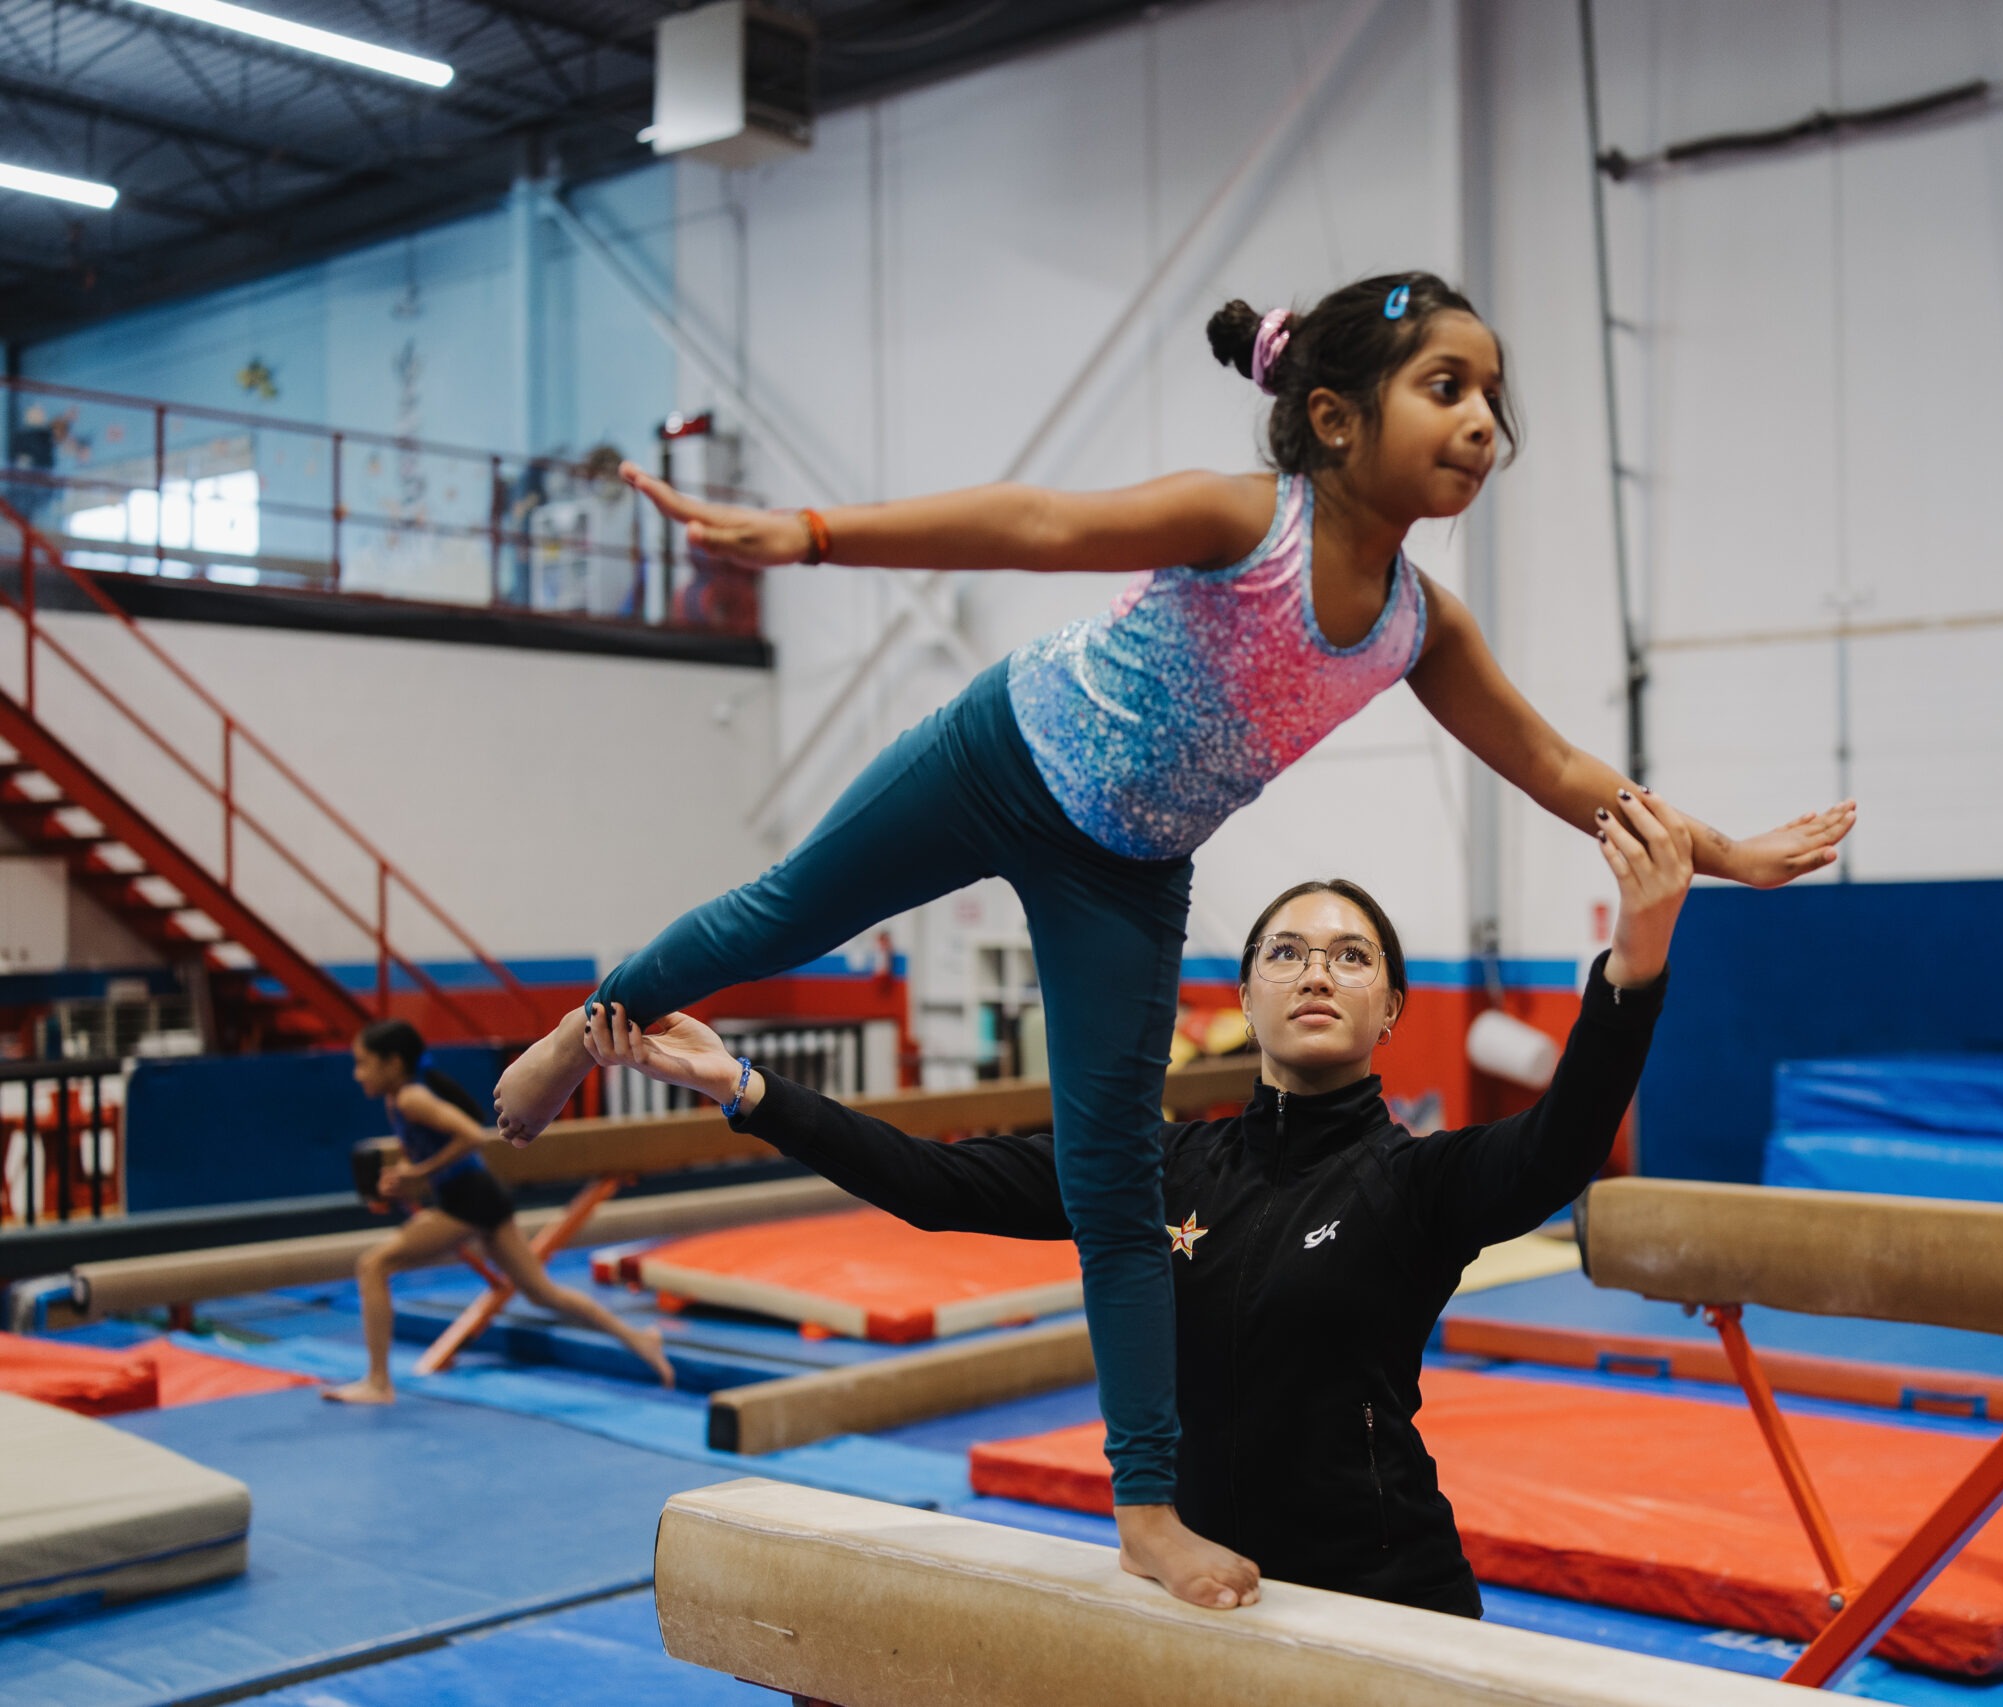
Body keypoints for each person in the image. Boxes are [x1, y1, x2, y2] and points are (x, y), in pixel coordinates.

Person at [496, 270, 1854, 1607]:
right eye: (1448, 387)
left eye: (1495, 393)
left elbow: (1551, 759)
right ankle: (587, 1023)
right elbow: (1034, 520)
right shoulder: (1246, 517)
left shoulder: (1416, 626)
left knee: (1112, 1184)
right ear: (1334, 417)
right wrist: (807, 533)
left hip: (1129, 873)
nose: (1484, 418)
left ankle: (1145, 1506)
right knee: (777, 915)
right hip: (1002, 752)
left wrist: (1724, 852)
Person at [586, 794, 1691, 1614]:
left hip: (1384, 1588)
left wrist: (1633, 962)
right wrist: (745, 1089)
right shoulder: (1152, 1165)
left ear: (1390, 1007)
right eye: (1288, 954)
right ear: (1247, 999)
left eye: (1350, 957)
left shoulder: (1419, 1184)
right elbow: (938, 1186)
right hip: (1195, 1582)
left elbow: (1559, 1146)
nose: (1317, 972)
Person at [322, 1019, 673, 1404]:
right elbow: (434, 1152)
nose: (357, 1074)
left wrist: (418, 1174)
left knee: (373, 1265)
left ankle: (378, 1383)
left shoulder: (411, 1098)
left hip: (469, 1201)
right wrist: (408, 1179)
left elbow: (472, 1136)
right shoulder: (399, 1100)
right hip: (473, 1198)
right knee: (543, 1294)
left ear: (392, 1063)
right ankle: (639, 1339)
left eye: (362, 1063)